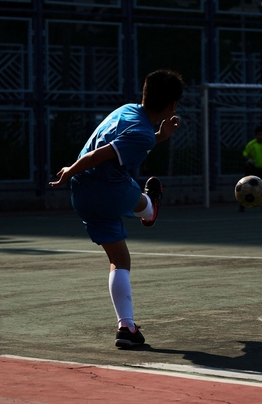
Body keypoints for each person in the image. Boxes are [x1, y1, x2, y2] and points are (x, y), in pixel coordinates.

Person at [48, 69, 184, 348]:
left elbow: (127, 141)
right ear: (172, 106)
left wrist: (160, 136)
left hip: (83, 196)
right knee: (134, 196)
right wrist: (69, 171)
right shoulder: (143, 135)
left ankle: (127, 329)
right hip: (109, 188)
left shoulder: (125, 111)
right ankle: (149, 209)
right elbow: (102, 154)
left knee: (118, 259)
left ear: (143, 94)